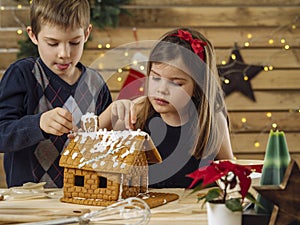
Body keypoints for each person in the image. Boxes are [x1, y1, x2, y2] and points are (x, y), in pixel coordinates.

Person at [98, 28, 234, 188]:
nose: (161, 89)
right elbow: (85, 145)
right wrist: (110, 112)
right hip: (149, 209)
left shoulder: (213, 121)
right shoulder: (137, 112)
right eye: (155, 78)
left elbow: (230, 172)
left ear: (198, 87)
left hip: (194, 211)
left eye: (175, 83)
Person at [0, 0, 112, 188]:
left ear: (86, 34)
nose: (64, 53)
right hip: (30, 202)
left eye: (74, 42)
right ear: (33, 35)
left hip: (83, 198)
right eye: (53, 43)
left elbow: (107, 143)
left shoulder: (96, 84)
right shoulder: (23, 75)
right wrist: (38, 124)